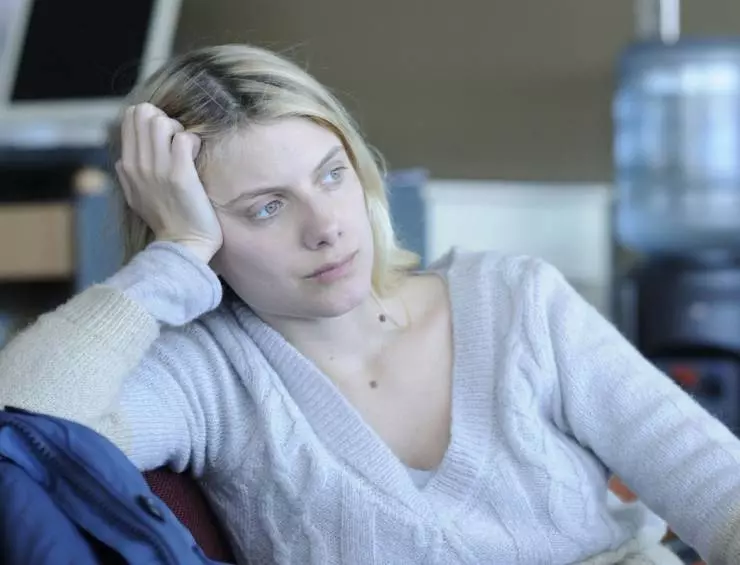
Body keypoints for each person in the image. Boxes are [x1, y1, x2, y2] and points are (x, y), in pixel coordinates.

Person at [0, 43, 736, 565]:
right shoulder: (204, 377)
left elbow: (720, 490)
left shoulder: (517, 301)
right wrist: (175, 255)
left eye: (331, 174)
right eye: (265, 208)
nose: (326, 226)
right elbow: (22, 429)